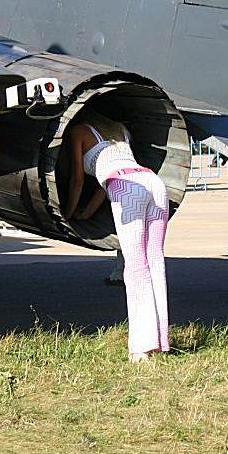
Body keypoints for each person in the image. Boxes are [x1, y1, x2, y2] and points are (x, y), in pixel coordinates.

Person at [64, 110, 169, 361]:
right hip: (152, 182)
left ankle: (141, 347)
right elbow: (107, 181)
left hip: (126, 188)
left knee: (135, 267)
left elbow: (78, 179)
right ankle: (160, 340)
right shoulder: (120, 129)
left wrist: (67, 213)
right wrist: (88, 213)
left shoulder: (78, 131)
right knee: (155, 261)